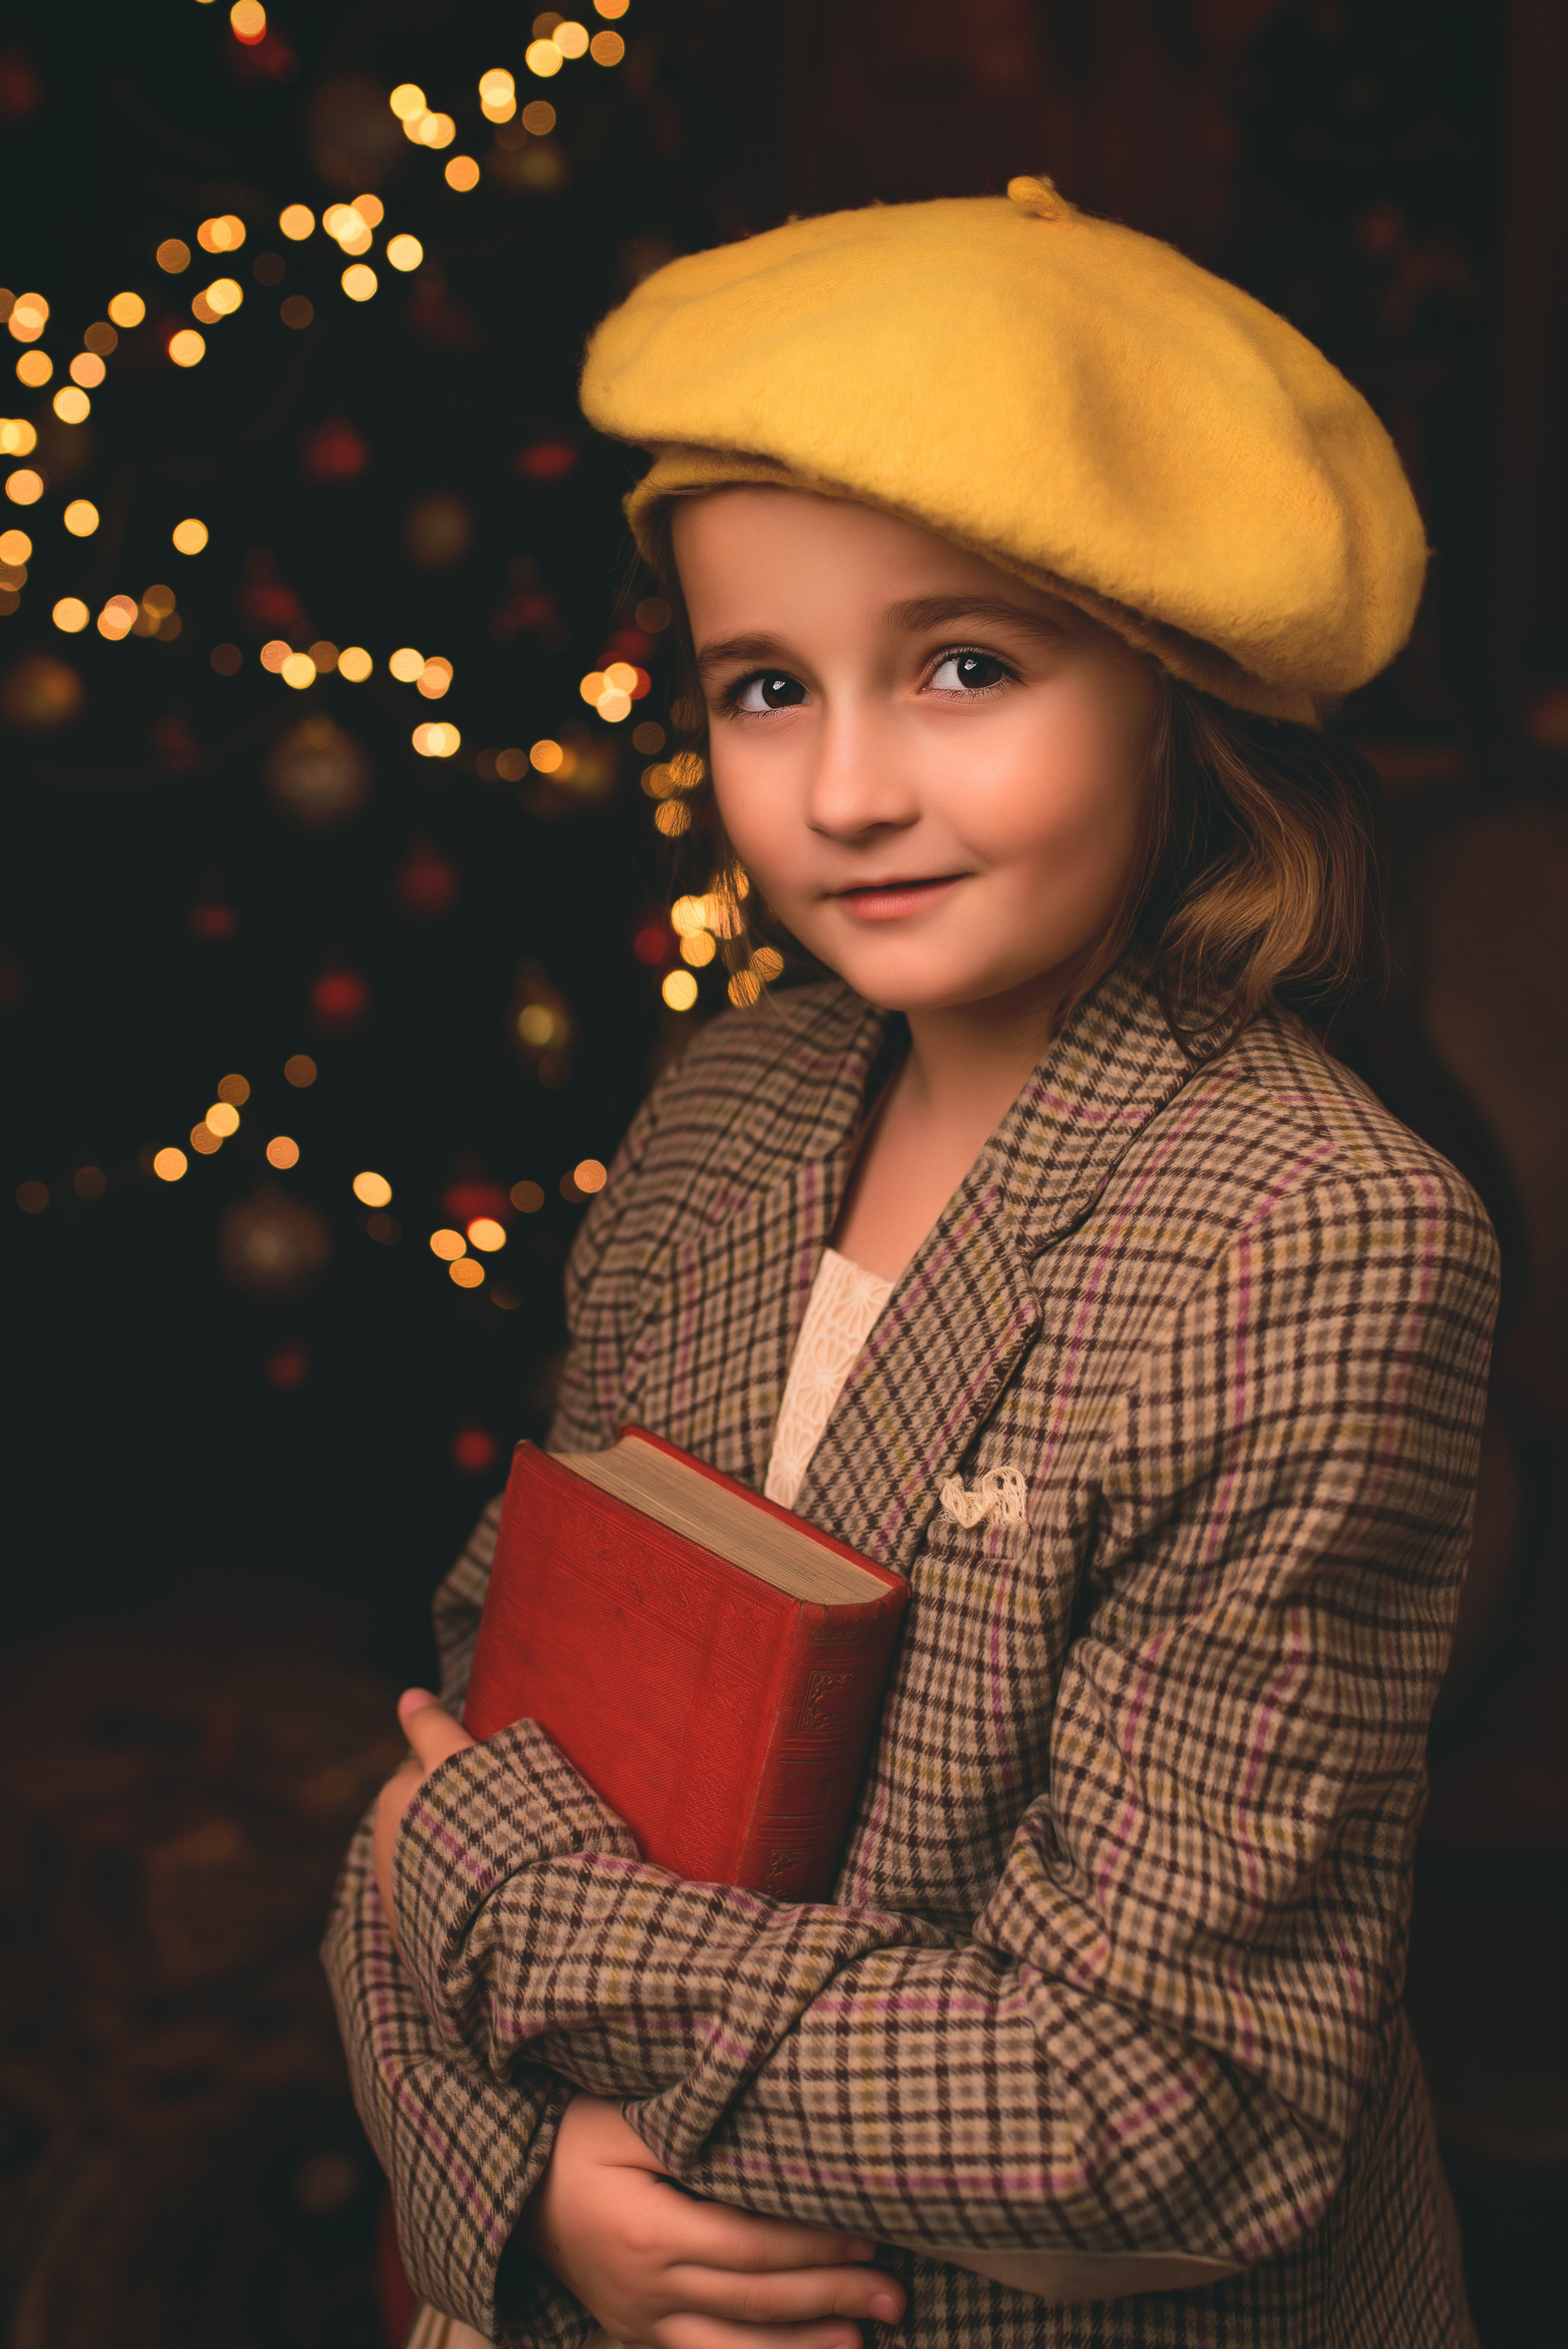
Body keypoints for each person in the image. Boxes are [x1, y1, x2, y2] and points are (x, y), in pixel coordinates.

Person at [323, 178, 1499, 2349]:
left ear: (1174, 686)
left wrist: (500, 1896)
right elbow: (470, 1724)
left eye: (965, 666)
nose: (847, 787)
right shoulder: (725, 1114)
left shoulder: (1306, 1232)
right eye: (766, 686)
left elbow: (1166, 2102)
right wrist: (532, 2189)